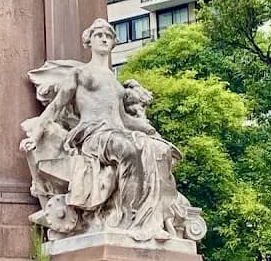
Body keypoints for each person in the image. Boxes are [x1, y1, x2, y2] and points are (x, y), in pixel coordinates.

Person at [20, 19, 182, 242]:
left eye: (108, 35)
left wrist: (149, 130)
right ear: (89, 41)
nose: (105, 39)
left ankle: (152, 219)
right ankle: (127, 217)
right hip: (93, 135)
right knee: (128, 150)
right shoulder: (80, 73)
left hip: (116, 131)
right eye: (99, 35)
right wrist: (35, 135)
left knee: (161, 152)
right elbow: (56, 106)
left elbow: (124, 119)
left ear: (114, 43)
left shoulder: (115, 83)